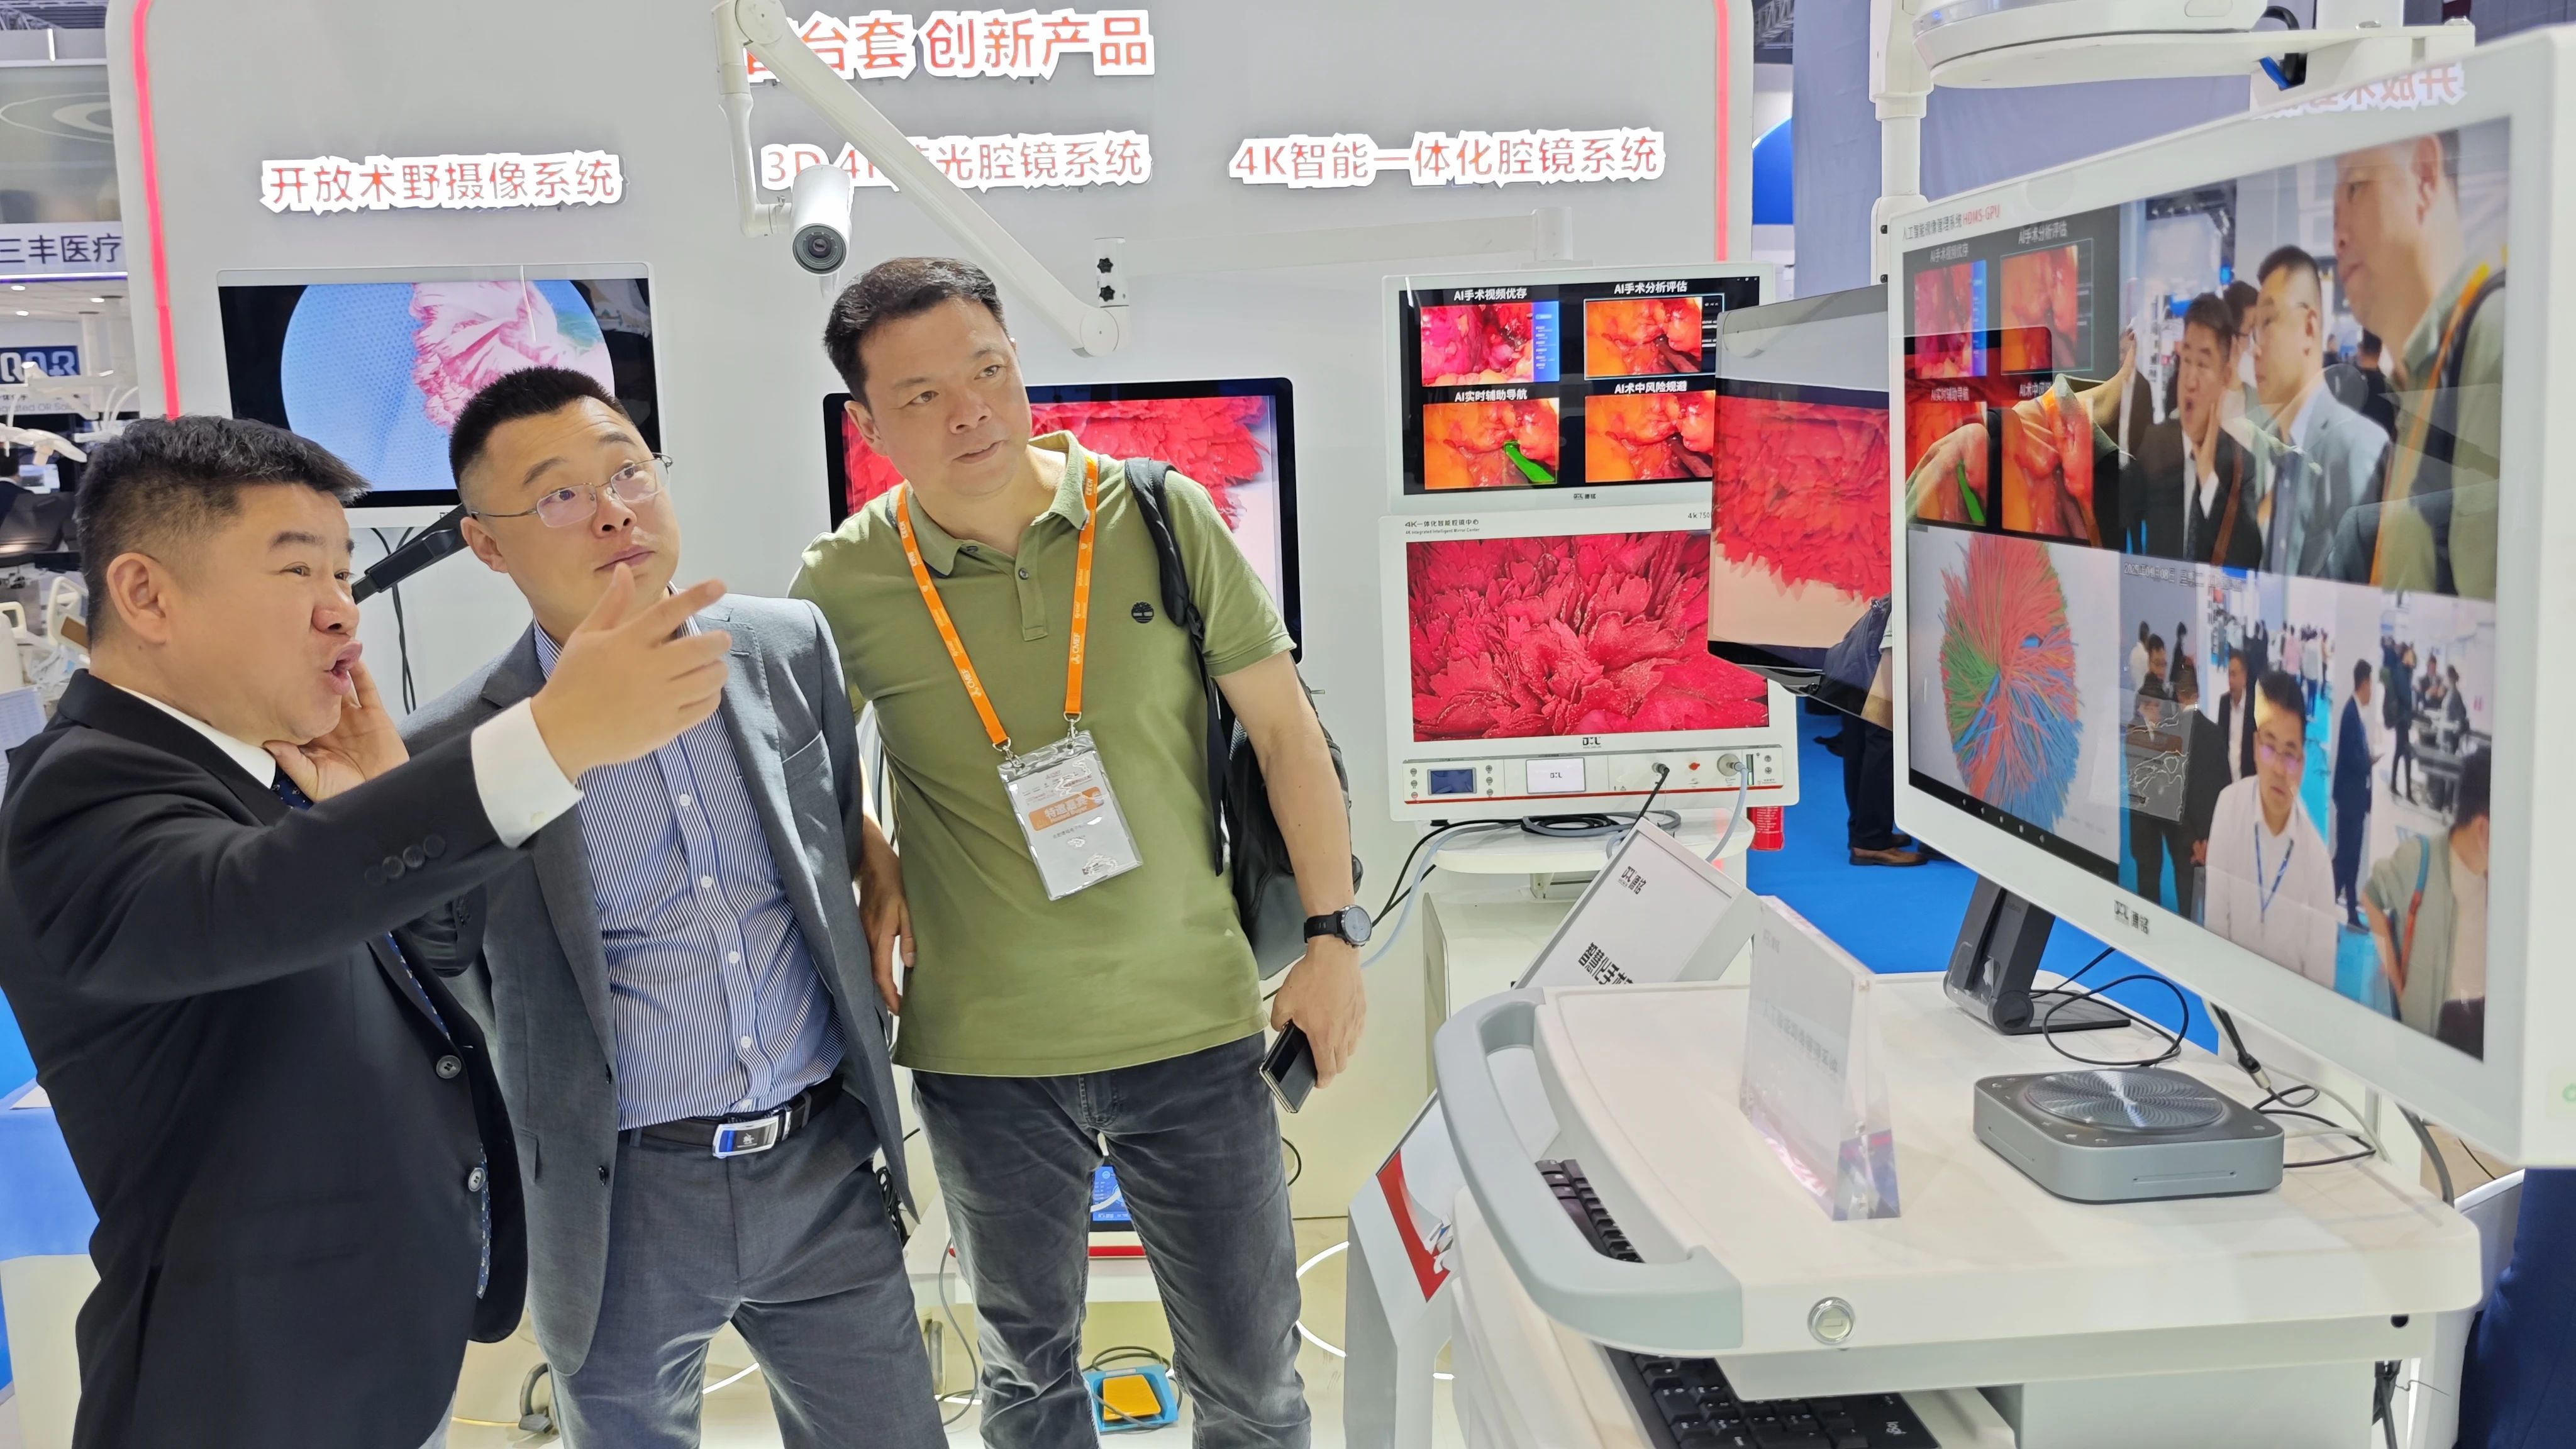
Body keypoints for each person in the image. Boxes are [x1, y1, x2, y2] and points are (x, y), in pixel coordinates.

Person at [0, 416, 726, 1448]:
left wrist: (373, 792)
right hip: (246, 1393)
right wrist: (550, 739)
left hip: (373, 1360)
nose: (342, 609)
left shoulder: (264, 768)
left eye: (343, 572)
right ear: (148, 595)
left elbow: (432, 961)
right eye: (298, 570)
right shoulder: (81, 788)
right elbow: (245, 902)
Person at [791, 257, 1360, 1448]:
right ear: (870, 425)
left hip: (1193, 1023)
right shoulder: (843, 579)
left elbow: (1285, 731)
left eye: (989, 370)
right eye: (923, 395)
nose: (971, 413)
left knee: (1255, 1385)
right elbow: (796, 774)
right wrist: (873, 854)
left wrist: (1332, 937)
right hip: (985, 1049)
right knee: (1026, 1379)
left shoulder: (1160, 515)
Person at [401, 369, 941, 1448]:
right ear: (488, 546)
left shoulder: (785, 647)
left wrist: (879, 855)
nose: (613, 512)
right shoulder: (457, 747)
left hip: (820, 1165)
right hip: (619, 1196)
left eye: (629, 473)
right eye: (558, 496)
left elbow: (831, 820)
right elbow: (447, 972)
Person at [2326, 130, 2506, 599]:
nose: (2338, 236)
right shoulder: (2420, 380)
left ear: (2425, 175)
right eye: (2334, 207)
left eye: (2355, 187)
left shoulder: (2492, 338)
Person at [2249, 246, 2390, 578]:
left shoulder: (2356, 448)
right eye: (2254, 331)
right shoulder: (2283, 456)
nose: (2255, 349)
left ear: (2309, 328)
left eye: (2268, 322)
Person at [2202, 670, 2339, 985]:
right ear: (2255, 747)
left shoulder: (2316, 863)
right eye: (2269, 746)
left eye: (2290, 754)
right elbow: (2214, 930)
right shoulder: (2229, 808)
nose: (2279, 768)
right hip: (2226, 1006)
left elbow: (2321, 984)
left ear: (2302, 763)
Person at [2365, 746, 2490, 1055]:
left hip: (2483, 1023)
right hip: (2432, 1028)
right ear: (2483, 829)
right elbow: (2371, 896)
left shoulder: (2500, 888)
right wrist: (2396, 978)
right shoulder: (2421, 859)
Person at [2129, 294, 2264, 568]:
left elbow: (2248, 556)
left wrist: (2207, 477)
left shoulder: (2241, 466)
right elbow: (2120, 518)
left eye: (2202, 364)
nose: (2190, 380)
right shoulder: (2155, 444)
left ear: (2225, 377)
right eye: (2186, 361)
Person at [2170, 663, 2229, 921]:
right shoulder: (2216, 734)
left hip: (2183, 844)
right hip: (2212, 843)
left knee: (2186, 915)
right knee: (2212, 919)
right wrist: (2207, 842)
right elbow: (2225, 789)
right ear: (2198, 693)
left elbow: (2170, 796)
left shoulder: (2170, 736)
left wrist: (2192, 842)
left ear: (2178, 694)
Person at [2129, 635, 2177, 904]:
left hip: (2162, 822)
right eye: (2157, 663)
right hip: (2144, 826)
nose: (2161, 669)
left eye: (2164, 664)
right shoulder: (2137, 725)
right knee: (2146, 886)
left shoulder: (2167, 702)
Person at [2333, 660, 2378, 927]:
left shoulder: (2355, 714)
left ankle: (2350, 913)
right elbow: (2352, 760)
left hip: (2355, 800)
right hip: (2350, 801)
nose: (2372, 691)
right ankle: (2329, 906)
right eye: (2371, 685)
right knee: (2345, 859)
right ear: (2364, 684)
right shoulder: (2351, 715)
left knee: (2350, 859)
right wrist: (2368, 762)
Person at [2216, 650, 2257, 784]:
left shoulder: (2254, 707)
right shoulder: (2224, 703)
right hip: (2226, 779)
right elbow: (2221, 742)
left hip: (2247, 780)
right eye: (2229, 675)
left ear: (2244, 677)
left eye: (2234, 675)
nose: (2230, 680)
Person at [2390, 643, 2419, 801]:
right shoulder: (2400, 672)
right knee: (2404, 752)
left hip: (2403, 718)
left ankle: (2398, 786)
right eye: (2410, 655)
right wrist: (2412, 699)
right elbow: (2404, 695)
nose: (2412, 658)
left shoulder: (2406, 671)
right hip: (2401, 718)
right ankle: (2406, 791)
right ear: (2404, 656)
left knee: (2400, 752)